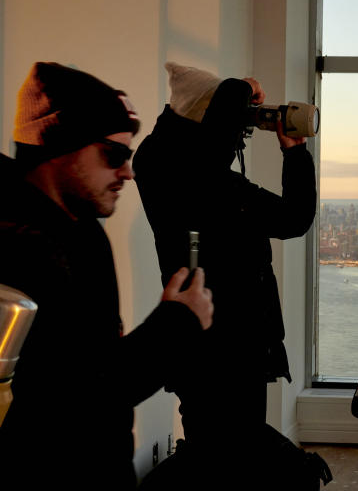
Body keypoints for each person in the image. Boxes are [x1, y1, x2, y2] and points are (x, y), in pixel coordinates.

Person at [0, 62, 214, 489]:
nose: (128, 172)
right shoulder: (19, 249)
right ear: (58, 146)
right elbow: (70, 403)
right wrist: (176, 324)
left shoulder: (79, 230)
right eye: (113, 154)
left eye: (129, 155)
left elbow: (95, 369)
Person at [132, 63, 319, 485]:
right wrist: (292, 150)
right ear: (210, 116)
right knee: (228, 463)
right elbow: (295, 218)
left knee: (221, 459)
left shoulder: (167, 168)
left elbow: (291, 218)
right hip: (223, 349)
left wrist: (239, 103)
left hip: (214, 344)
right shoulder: (197, 182)